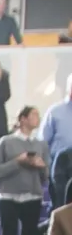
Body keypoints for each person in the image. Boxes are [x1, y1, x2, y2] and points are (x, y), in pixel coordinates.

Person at [0, 106, 47, 235]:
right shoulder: (6, 142)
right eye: (34, 115)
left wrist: (41, 166)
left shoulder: (41, 144)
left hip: (32, 197)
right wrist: (18, 161)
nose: (37, 118)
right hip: (9, 197)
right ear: (23, 119)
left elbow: (45, 177)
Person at [43, 75, 72, 206]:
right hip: (60, 166)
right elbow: (43, 141)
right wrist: (48, 166)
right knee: (60, 205)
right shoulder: (55, 111)